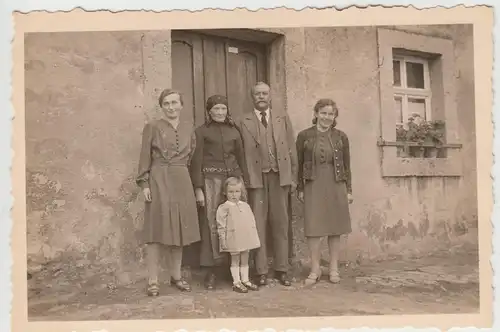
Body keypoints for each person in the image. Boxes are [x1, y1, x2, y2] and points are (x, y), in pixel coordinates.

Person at [136, 88, 201, 296]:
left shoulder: (189, 128)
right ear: (162, 106)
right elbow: (145, 156)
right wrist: (145, 184)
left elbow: (192, 159)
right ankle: (153, 280)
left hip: (182, 178)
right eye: (167, 104)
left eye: (175, 103)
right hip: (158, 178)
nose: (171, 107)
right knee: (156, 230)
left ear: (181, 105)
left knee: (180, 229)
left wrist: (195, 186)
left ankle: (176, 276)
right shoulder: (152, 127)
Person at [236, 81, 297, 287]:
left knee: (281, 223)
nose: (261, 97)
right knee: (258, 224)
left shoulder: (282, 118)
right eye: (257, 94)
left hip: (280, 176)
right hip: (256, 178)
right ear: (252, 97)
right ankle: (261, 271)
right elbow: (240, 152)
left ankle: (282, 269)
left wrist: (293, 177)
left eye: (264, 93)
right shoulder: (242, 120)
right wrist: (243, 180)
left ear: (270, 96)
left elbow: (291, 148)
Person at [189, 94, 249, 290]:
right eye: (216, 109)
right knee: (212, 223)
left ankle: (237, 271)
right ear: (209, 111)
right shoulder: (201, 132)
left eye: (223, 109)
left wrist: (243, 183)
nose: (220, 112)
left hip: (233, 182)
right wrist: (198, 188)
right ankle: (211, 271)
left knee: (236, 224)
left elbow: (241, 158)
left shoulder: (234, 131)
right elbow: (196, 161)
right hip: (211, 182)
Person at [295, 98, 353, 286]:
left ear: (335, 116)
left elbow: (346, 165)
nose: (327, 117)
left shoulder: (340, 137)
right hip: (313, 183)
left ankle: (334, 268)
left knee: (334, 227)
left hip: (336, 183)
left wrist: (349, 189)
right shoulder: (304, 136)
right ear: (316, 114)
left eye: (331, 114)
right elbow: (298, 164)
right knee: (314, 228)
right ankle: (315, 268)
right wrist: (300, 188)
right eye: (323, 113)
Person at [216, 177, 260, 293]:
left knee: (245, 258)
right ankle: (236, 282)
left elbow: (251, 222)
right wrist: (223, 239)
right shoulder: (224, 207)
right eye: (231, 192)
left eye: (237, 191)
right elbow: (221, 225)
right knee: (235, 259)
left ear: (241, 192)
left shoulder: (245, 205)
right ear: (225, 193)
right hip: (233, 237)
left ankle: (245, 280)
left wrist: (252, 236)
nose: (234, 195)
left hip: (245, 237)